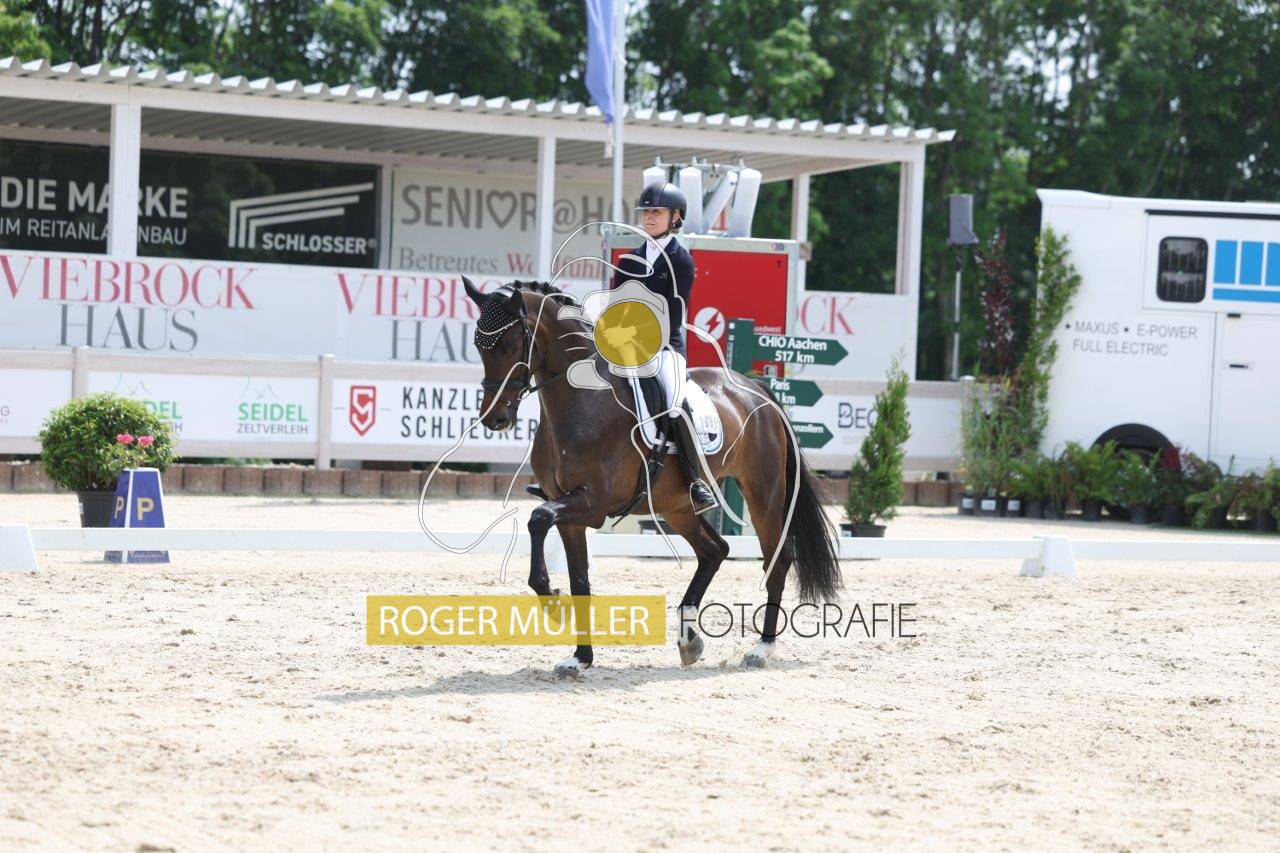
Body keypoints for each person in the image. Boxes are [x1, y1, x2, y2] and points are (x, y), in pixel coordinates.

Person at [609, 181, 717, 515]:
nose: (649, 217)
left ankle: (695, 481)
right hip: (624, 346)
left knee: (674, 401)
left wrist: (637, 336)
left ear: (675, 217)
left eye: (656, 212)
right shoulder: (628, 259)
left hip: (664, 346)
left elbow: (673, 311)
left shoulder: (681, 261)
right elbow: (616, 305)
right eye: (646, 212)